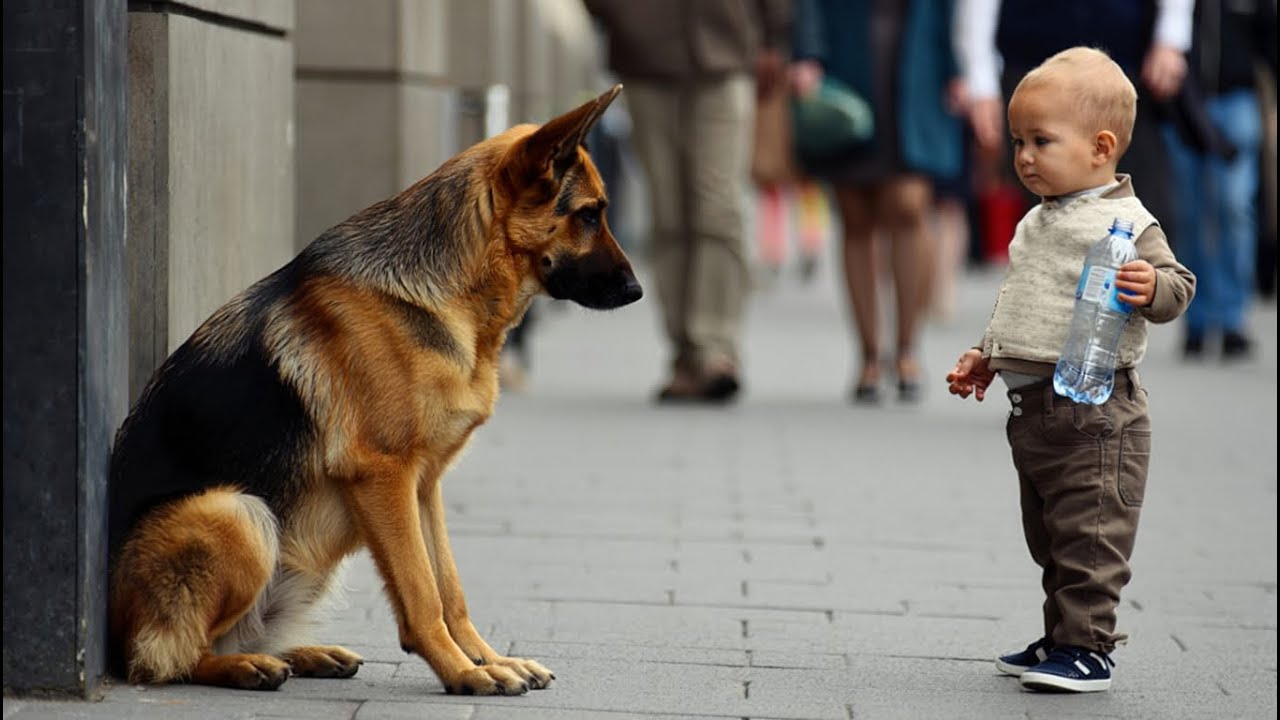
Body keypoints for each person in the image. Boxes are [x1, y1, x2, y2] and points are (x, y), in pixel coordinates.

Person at [946, 48, 1195, 693]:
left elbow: (1177, 284)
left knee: (1091, 538)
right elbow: (1025, 300)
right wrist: (987, 354)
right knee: (1053, 537)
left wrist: (1151, 287)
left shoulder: (1128, 223)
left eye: (1041, 141)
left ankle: (1089, 648)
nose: (1024, 156)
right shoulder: (1038, 217)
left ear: (1100, 146)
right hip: (1036, 417)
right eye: (1019, 141)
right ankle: (1061, 634)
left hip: (1098, 415)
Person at [584, 0, 793, 404]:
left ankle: (716, 348)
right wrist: (624, 18)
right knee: (669, 213)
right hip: (646, 56)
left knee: (720, 207)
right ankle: (684, 352)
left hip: (727, 50)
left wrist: (773, 39)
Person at [790, 0, 965, 404]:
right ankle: (869, 356)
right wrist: (807, 55)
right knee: (856, 215)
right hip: (845, 62)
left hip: (917, 66)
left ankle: (906, 349)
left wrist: (960, 69)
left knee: (907, 206)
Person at [955, 0, 1194, 240]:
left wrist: (1170, 39)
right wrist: (981, 83)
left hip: (1124, 72)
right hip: (1034, 72)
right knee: (1046, 214)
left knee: (1141, 210)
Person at [1160, 0, 1278, 359]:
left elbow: (1270, 40)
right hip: (1185, 103)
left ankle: (1231, 319)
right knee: (1191, 214)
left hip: (1236, 101)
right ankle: (1195, 319)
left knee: (1234, 205)